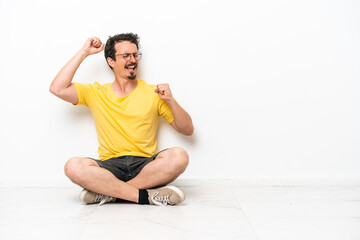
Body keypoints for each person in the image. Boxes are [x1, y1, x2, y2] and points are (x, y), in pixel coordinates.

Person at [50, 33, 194, 206]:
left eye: (135, 55)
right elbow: (57, 88)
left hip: (145, 166)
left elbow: (187, 129)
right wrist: (84, 52)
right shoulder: (96, 93)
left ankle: (108, 193)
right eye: (125, 55)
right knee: (72, 166)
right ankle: (144, 197)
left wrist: (171, 100)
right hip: (110, 167)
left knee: (179, 156)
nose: (132, 59)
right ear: (111, 61)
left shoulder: (154, 93)